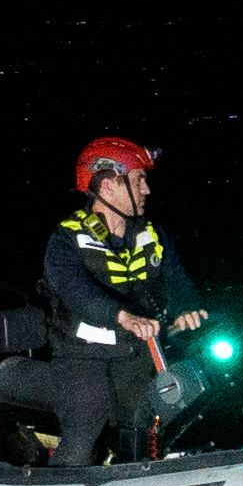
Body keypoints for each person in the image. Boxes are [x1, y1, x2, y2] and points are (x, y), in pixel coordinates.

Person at [35, 136, 171, 466]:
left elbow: (176, 277)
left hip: (136, 353)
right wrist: (121, 316)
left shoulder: (150, 233)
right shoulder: (65, 240)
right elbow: (76, 291)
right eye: (140, 180)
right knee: (84, 429)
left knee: (164, 415)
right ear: (108, 186)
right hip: (83, 357)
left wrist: (187, 309)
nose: (147, 190)